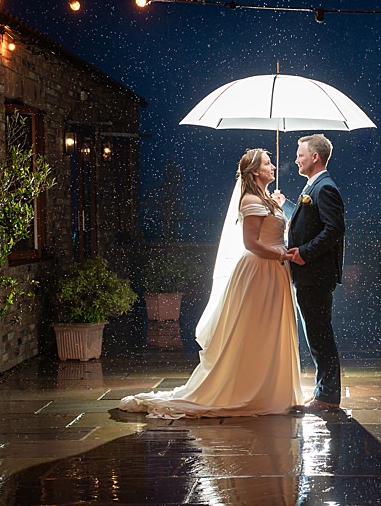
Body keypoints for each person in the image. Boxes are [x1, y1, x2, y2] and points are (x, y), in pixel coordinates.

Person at [118, 148, 303, 418]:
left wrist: (278, 204)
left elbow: (274, 231)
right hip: (261, 271)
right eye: (268, 163)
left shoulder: (266, 199)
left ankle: (273, 386)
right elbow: (251, 243)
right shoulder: (250, 200)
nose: (273, 166)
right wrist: (282, 254)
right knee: (257, 329)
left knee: (271, 328)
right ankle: (251, 388)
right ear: (255, 172)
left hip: (275, 272)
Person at [287, 133, 345, 413]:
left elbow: (334, 229)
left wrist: (303, 253)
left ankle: (328, 397)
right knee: (316, 333)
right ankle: (323, 391)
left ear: (315, 157)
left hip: (315, 275)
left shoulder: (325, 188)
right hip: (309, 275)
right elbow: (307, 222)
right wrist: (286, 203)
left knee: (320, 335)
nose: (296, 159)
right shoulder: (314, 186)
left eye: (300, 154)